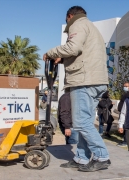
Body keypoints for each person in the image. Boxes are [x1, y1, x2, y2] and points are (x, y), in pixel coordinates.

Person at [43, 6, 110, 172]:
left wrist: (51, 53)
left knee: (81, 123)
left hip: (84, 81)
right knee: (84, 122)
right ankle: (81, 157)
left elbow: (73, 48)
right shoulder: (90, 27)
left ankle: (102, 156)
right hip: (95, 80)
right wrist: (63, 57)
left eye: (67, 20)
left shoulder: (77, 24)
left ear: (70, 16)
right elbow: (81, 52)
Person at [117, 82, 129, 147]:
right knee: (123, 127)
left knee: (125, 127)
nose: (125, 87)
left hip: (126, 113)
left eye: (126, 86)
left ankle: (126, 141)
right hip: (123, 112)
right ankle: (125, 140)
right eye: (124, 86)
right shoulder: (126, 94)